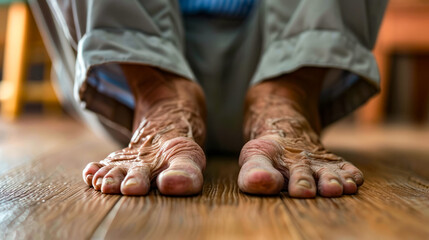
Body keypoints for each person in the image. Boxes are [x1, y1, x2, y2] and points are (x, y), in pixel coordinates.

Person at [39, 0, 388, 197]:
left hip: (297, 61)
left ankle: (286, 96)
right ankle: (159, 96)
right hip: (121, 79)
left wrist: (295, 81)